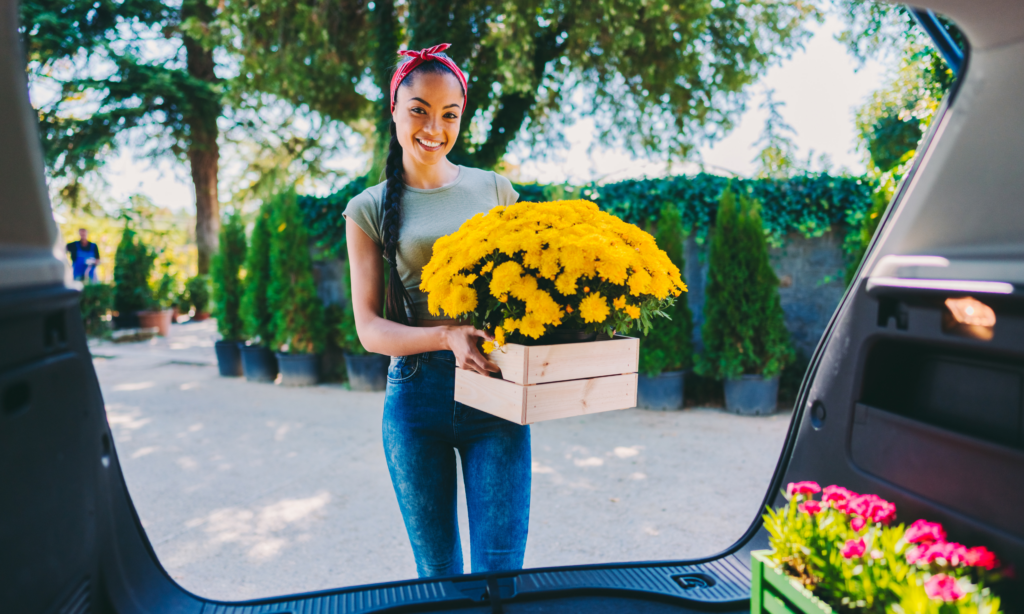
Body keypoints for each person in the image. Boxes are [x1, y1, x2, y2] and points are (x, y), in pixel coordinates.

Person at [344, 43, 529, 578]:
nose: (434, 127)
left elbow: (527, 290)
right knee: (439, 574)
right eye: (419, 110)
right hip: (416, 399)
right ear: (395, 111)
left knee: (501, 574)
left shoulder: (494, 189)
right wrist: (447, 336)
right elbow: (370, 330)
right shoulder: (368, 208)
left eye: (449, 114)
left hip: (494, 393)